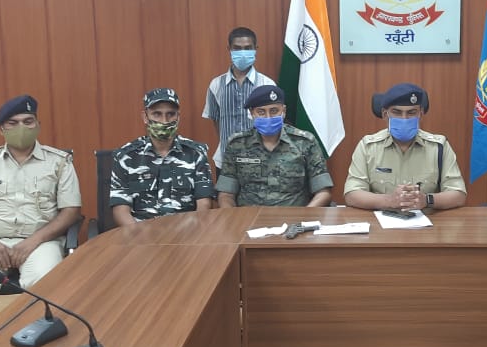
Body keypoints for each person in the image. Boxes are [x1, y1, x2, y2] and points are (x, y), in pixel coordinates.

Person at [0, 95, 82, 335]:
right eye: (12, 123)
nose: (21, 128)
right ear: (1, 129)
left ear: (38, 125)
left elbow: (71, 212)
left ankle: (35, 340)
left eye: (28, 121)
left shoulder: (59, 162)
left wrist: (32, 242)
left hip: (41, 242)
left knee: (43, 284)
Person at [344, 83, 466, 211]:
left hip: (427, 220)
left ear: (420, 114)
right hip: (381, 221)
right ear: (385, 114)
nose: (404, 118)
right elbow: (352, 194)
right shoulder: (368, 147)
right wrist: (389, 200)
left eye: (411, 112)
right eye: (397, 112)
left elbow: (458, 194)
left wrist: (426, 200)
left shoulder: (439, 147)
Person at [216, 86, 333, 207]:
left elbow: (323, 192)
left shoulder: (305, 142)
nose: (268, 117)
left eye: (274, 111)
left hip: (293, 215)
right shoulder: (237, 144)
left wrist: (304, 216)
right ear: (252, 113)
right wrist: (233, 217)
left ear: (283, 111)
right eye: (261, 112)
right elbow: (226, 194)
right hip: (249, 216)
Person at [110, 88, 213, 225]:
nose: (164, 121)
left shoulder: (196, 153)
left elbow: (204, 204)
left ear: (178, 117)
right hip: (140, 232)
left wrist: (192, 234)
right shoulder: (125, 157)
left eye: (170, 114)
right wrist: (138, 235)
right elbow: (120, 210)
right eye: (157, 114)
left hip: (186, 231)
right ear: (145, 117)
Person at [203, 27, 277, 174]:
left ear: (255, 49)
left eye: (248, 48)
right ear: (229, 49)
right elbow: (216, 120)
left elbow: (273, 123)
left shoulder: (267, 84)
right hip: (225, 161)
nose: (243, 52)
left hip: (260, 161)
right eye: (237, 48)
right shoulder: (216, 84)